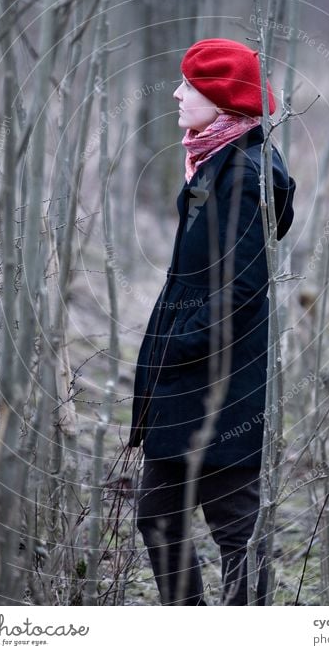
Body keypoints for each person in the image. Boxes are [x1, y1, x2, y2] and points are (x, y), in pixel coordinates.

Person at [128, 38, 296, 605]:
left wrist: (183, 345)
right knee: (160, 514)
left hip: (216, 376)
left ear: (221, 98)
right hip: (195, 370)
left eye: (189, 87)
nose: (176, 94)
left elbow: (242, 285)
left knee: (234, 525)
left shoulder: (246, 171)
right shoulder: (217, 156)